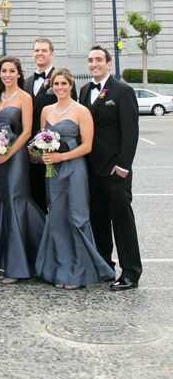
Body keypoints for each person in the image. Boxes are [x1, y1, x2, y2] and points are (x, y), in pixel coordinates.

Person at [34, 68, 115, 289]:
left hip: (74, 169)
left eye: (64, 84)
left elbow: (87, 146)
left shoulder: (81, 111)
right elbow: (42, 139)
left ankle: (80, 272)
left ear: (71, 86)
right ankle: (61, 269)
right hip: (53, 172)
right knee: (57, 218)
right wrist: (41, 155)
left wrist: (62, 156)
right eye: (56, 84)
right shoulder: (46, 110)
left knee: (77, 218)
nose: (59, 88)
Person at [80, 46, 142, 291]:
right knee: (98, 220)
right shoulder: (85, 90)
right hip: (92, 170)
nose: (94, 63)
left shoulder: (123, 91)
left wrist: (123, 166)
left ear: (109, 64)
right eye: (90, 60)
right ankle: (105, 266)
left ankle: (131, 272)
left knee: (122, 221)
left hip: (116, 170)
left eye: (98, 59)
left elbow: (131, 132)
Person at [0, 56, 45, 285]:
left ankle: (21, 264)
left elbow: (27, 131)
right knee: (2, 200)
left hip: (16, 157)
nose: (7, 75)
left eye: (11, 71)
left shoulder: (24, 97)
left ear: (19, 74)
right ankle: (8, 259)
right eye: (3, 71)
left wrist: (9, 154)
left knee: (15, 201)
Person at [23, 37, 76, 214]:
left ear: (52, 54)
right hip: (30, 151)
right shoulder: (27, 82)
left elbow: (71, 112)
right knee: (35, 196)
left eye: (44, 50)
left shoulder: (62, 81)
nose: (39, 53)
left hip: (55, 150)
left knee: (57, 199)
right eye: (36, 50)